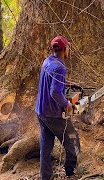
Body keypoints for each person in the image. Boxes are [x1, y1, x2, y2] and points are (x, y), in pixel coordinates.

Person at [35, 35, 80, 180]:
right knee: (73, 140)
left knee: (46, 147)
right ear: (65, 49)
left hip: (41, 111)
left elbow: (52, 83)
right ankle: (70, 172)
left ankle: (45, 176)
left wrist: (66, 84)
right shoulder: (60, 67)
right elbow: (54, 91)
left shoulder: (47, 61)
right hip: (53, 114)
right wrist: (67, 104)